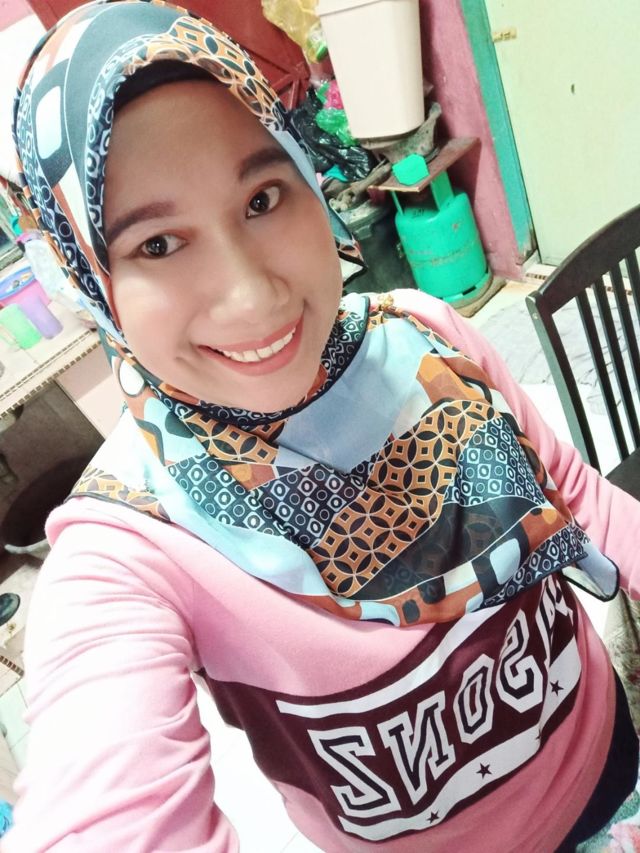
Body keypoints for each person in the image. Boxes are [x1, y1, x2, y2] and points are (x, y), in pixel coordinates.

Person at [6, 1, 640, 850]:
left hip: (607, 760)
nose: (253, 295)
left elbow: (575, 496)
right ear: (93, 277)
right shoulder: (131, 546)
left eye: (263, 197)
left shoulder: (427, 342)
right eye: (158, 244)